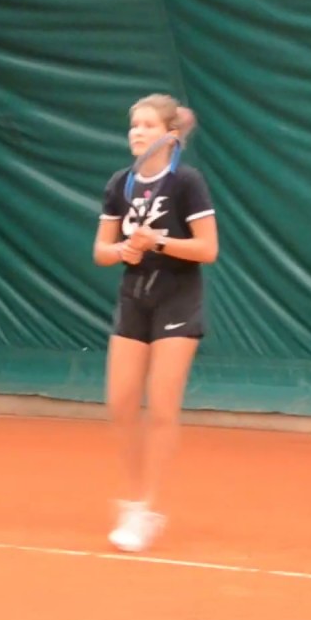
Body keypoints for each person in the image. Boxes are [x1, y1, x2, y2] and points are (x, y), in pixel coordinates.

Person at [92, 93, 218, 552]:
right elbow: (101, 251)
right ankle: (131, 499)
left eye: (147, 125)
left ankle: (149, 507)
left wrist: (158, 243)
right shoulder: (119, 184)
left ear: (169, 135)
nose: (137, 133)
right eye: (134, 125)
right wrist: (123, 250)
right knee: (121, 403)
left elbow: (207, 249)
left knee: (162, 409)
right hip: (134, 299)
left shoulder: (187, 182)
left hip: (177, 299)